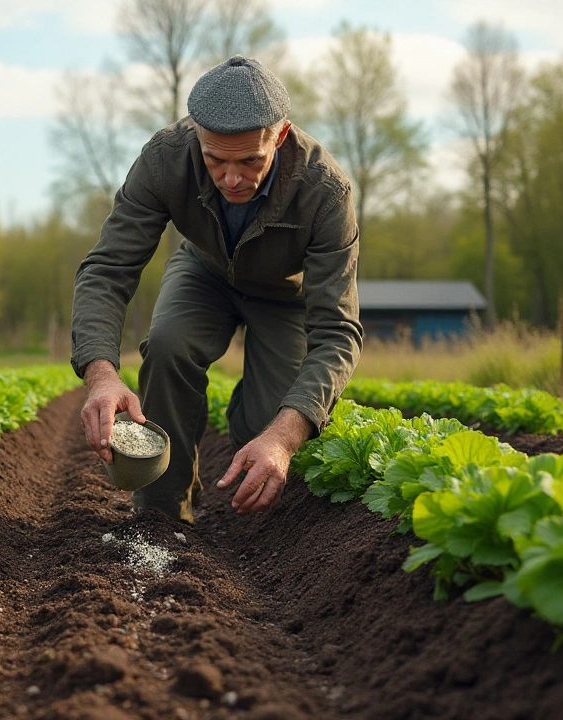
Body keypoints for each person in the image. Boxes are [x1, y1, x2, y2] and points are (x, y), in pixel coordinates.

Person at [70, 55, 363, 523]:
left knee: (271, 419)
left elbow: (338, 332)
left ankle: (251, 437)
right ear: (196, 135)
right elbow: (108, 268)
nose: (230, 178)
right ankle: (164, 515)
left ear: (280, 135)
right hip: (203, 271)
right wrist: (101, 375)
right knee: (168, 347)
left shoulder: (326, 191)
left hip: (283, 295)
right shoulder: (166, 158)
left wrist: (282, 438)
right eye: (215, 160)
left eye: (250, 161)